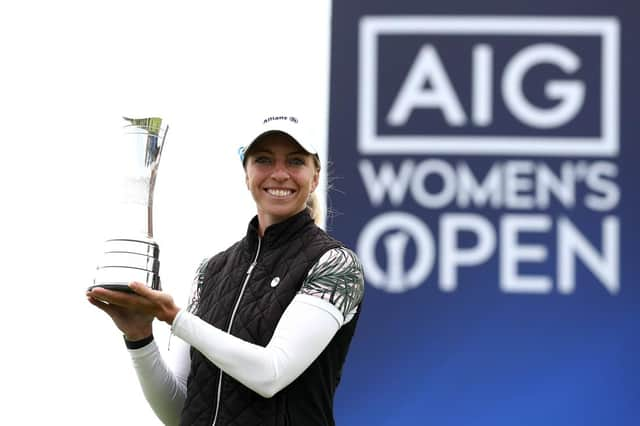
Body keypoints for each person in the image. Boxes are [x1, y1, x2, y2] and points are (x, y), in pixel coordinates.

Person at [87, 114, 365, 426]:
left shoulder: (335, 264)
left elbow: (271, 373)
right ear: (246, 174)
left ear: (314, 177)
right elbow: (179, 412)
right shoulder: (211, 271)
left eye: (295, 161)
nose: (279, 173)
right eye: (263, 160)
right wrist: (139, 337)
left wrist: (174, 317)